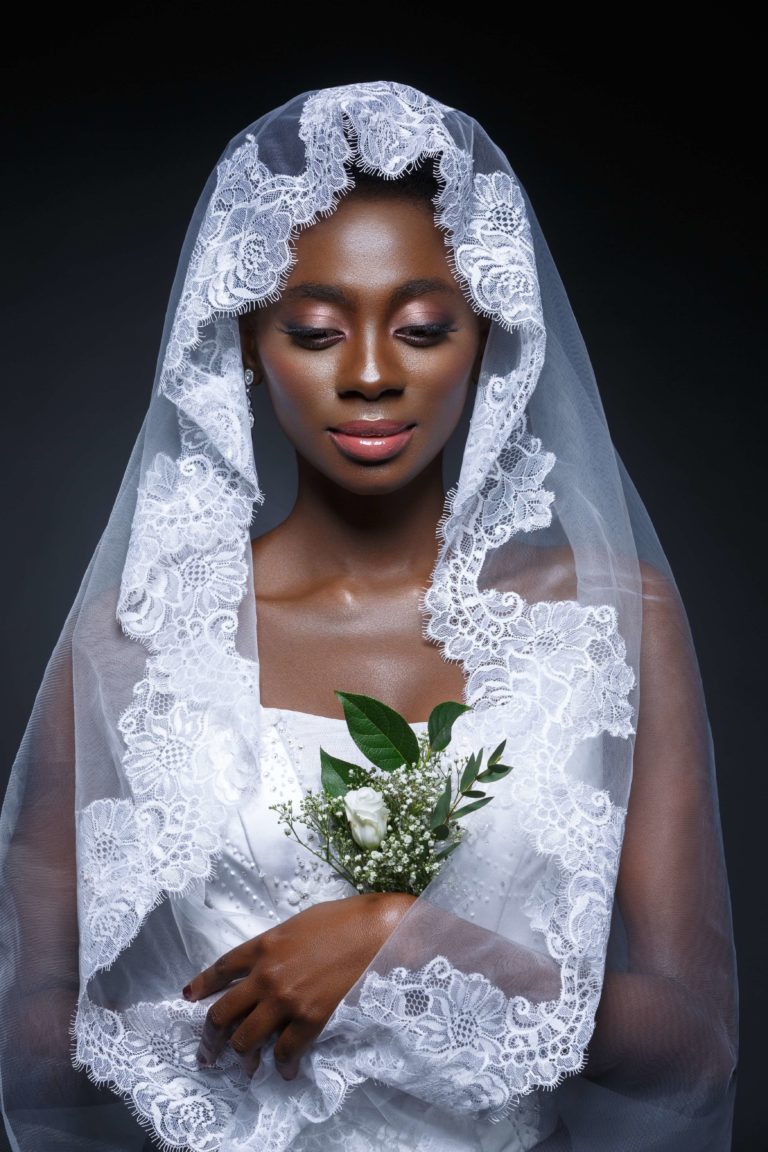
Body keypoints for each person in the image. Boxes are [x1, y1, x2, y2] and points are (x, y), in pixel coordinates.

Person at [0, 80, 737, 1151]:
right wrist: (203, 1040)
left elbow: (699, 1043)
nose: (374, 374)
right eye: (315, 329)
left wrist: (405, 941)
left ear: (488, 338)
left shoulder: (609, 628)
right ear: (248, 340)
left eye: (425, 326)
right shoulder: (134, 643)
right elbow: (27, 1036)